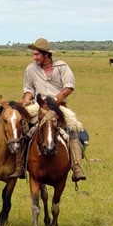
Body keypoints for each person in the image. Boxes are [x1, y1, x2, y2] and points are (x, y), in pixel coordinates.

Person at [18, 37, 87, 182]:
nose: (34, 57)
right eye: (33, 54)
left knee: (73, 128)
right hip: (38, 105)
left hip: (58, 106)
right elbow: (29, 89)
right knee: (20, 124)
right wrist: (25, 100)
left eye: (37, 54)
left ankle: (76, 166)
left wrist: (55, 100)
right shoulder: (30, 69)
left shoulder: (62, 66)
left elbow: (69, 87)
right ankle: (19, 164)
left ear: (46, 54)